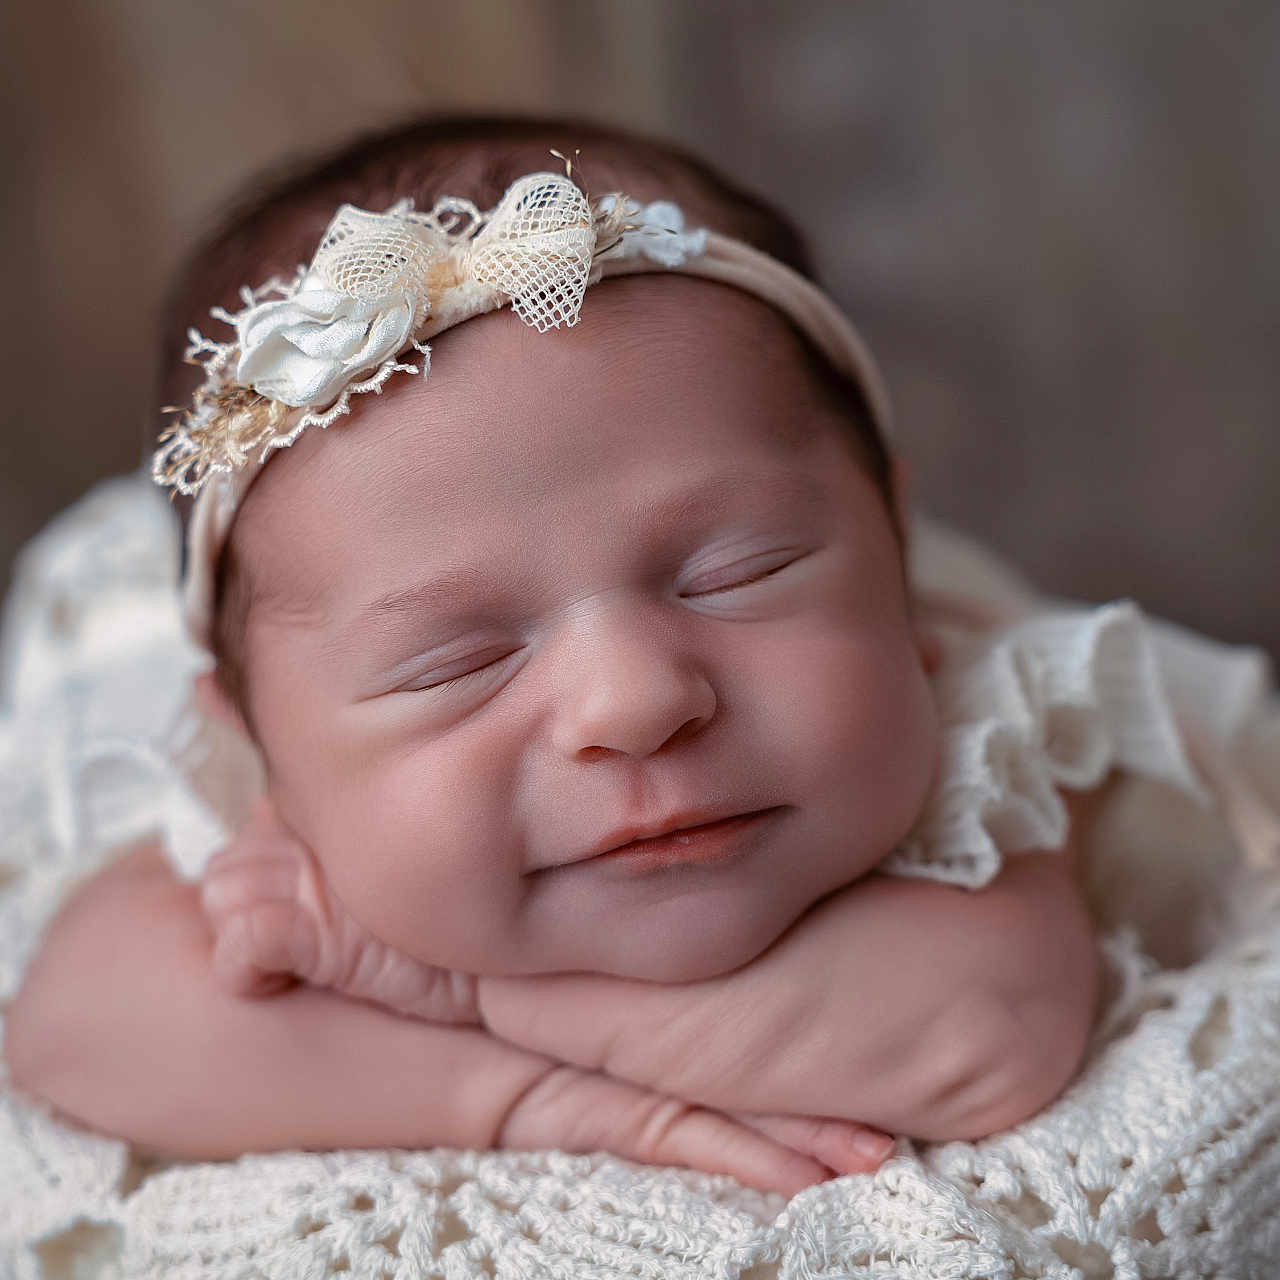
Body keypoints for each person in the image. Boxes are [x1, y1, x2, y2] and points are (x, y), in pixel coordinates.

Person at [6, 115, 1266, 1200]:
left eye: (733, 574)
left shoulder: (987, 712)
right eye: (456, 660)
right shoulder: (255, 815)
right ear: (253, 741)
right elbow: (70, 1027)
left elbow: (978, 1030)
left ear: (892, 553)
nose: (637, 700)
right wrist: (527, 1098)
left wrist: (445, 990)